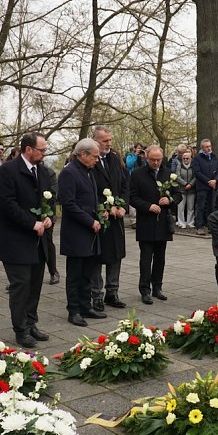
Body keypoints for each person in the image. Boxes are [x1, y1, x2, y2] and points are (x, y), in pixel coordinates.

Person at [0, 132, 54, 348]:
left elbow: (48, 198)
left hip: (37, 240)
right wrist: (31, 223)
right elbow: (7, 204)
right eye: (42, 150)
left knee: (35, 284)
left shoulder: (42, 172)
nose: (44, 153)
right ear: (29, 149)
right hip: (15, 240)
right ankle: (21, 330)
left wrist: (48, 217)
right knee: (21, 285)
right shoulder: (8, 171)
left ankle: (31, 323)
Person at [59, 138, 108, 326]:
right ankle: (73, 310)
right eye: (94, 156)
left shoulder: (88, 171)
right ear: (83, 154)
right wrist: (90, 221)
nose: (97, 160)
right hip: (76, 232)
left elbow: (89, 198)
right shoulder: (69, 173)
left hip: (90, 231)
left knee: (88, 272)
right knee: (75, 274)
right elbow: (69, 203)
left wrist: (99, 210)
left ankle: (86, 306)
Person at [129, 145, 182, 304]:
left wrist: (170, 200)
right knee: (146, 258)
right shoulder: (137, 174)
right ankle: (145, 289)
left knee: (160, 257)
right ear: (146, 157)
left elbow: (178, 195)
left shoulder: (168, 174)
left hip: (163, 222)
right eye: (153, 160)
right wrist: (147, 206)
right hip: (146, 221)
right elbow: (132, 197)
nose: (156, 162)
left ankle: (157, 287)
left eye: (158, 159)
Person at [90, 126, 128, 309]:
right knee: (98, 256)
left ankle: (112, 292)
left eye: (110, 140)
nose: (109, 144)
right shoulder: (90, 160)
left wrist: (123, 206)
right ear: (95, 141)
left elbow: (125, 184)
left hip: (117, 218)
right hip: (101, 217)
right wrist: (102, 208)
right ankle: (96, 295)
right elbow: (87, 189)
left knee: (116, 255)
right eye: (105, 141)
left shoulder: (115, 158)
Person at [193, 138, 218, 234]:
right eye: (207, 147)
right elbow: (197, 172)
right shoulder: (197, 158)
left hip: (213, 186)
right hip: (202, 186)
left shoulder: (214, 157)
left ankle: (210, 226)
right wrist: (208, 181)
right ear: (202, 148)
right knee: (200, 206)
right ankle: (199, 226)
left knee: (211, 207)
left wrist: (215, 180)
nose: (209, 148)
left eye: (210, 146)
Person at [41, 161, 61, 285]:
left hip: (47, 211)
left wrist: (47, 213)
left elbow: (53, 193)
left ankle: (53, 271)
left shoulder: (49, 173)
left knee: (47, 241)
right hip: (28, 214)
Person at [175, 150, 195, 228]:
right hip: (181, 190)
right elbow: (177, 177)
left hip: (191, 190)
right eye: (184, 158)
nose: (186, 160)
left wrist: (190, 184)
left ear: (190, 158)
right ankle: (181, 223)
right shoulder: (179, 166)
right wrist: (185, 184)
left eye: (187, 158)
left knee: (191, 207)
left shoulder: (193, 166)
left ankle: (190, 222)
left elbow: (195, 177)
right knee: (180, 207)